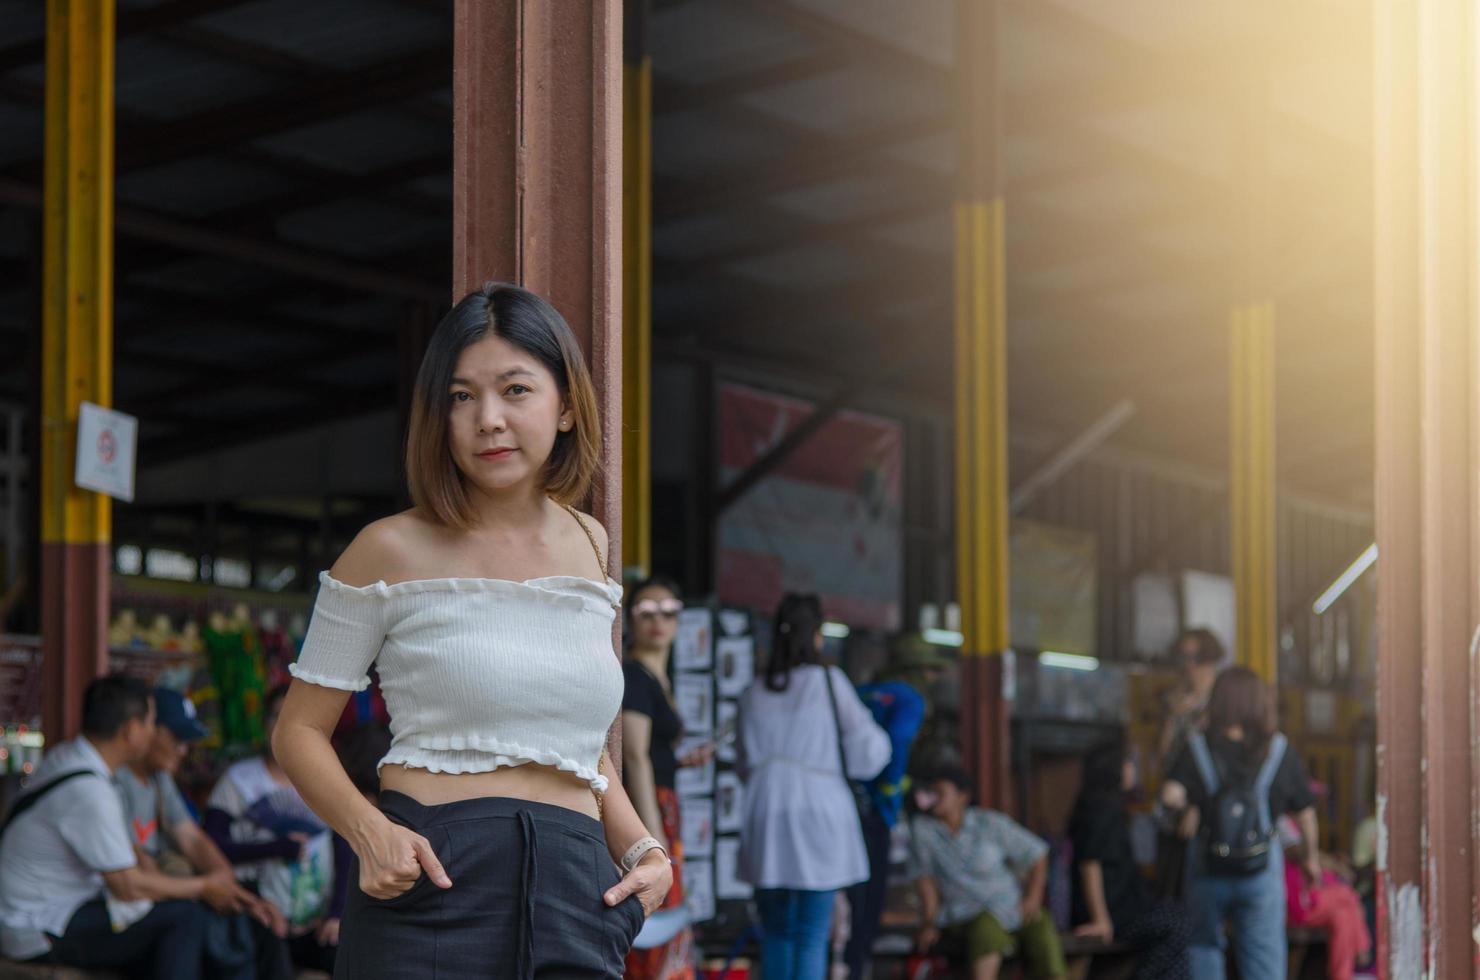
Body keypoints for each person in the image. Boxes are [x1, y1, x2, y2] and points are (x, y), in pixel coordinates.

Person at [271, 283, 670, 979]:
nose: (488, 419)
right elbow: (297, 731)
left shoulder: (592, 544)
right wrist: (370, 832)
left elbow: (574, 742)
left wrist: (644, 853)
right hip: (433, 879)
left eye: (515, 390)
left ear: (568, 405)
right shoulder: (386, 549)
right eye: (461, 396)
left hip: (578, 891)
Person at [0, 675, 248, 978]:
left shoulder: (69, 757)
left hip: (39, 913)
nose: (152, 733)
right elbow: (128, 886)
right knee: (185, 918)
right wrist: (202, 887)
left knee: (167, 924)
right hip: (36, 928)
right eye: (150, 724)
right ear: (131, 730)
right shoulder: (90, 792)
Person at [738, 593, 890, 980]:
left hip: (765, 812)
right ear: (817, 636)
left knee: (775, 931)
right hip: (819, 812)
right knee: (811, 934)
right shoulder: (828, 681)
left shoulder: (753, 692)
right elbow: (870, 753)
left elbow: (742, 765)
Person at [1161, 667, 1320, 980]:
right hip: (1259, 871)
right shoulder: (1278, 750)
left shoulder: (1197, 747)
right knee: (1263, 956)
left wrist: (1189, 808)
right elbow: (1305, 813)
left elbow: (1169, 796)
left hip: (1208, 869)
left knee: (1204, 947)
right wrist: (1311, 859)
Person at [114, 687, 277, 979]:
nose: (183, 749)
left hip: (157, 893)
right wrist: (208, 888)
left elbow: (192, 839)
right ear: (145, 729)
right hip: (120, 909)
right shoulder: (115, 780)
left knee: (258, 920)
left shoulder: (159, 778)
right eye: (176, 738)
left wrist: (231, 888)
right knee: (195, 923)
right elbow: (138, 867)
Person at [206, 684, 341, 975]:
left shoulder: (327, 779)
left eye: (294, 717)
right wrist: (274, 847)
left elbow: (346, 851)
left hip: (316, 922)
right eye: (277, 716)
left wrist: (337, 913)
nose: (284, 726)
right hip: (258, 913)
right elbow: (211, 846)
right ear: (265, 723)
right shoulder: (238, 780)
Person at [621, 574, 705, 980]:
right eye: (647, 610)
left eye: (669, 612)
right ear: (631, 618)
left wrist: (678, 761)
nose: (659, 620)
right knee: (656, 914)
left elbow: (651, 752)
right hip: (646, 809)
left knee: (666, 921)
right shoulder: (635, 675)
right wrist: (652, 842)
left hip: (661, 803)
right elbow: (634, 756)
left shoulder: (657, 677)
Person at [908, 767, 1067, 980]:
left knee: (1041, 926)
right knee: (986, 929)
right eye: (931, 792)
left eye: (940, 792)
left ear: (962, 796)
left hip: (1011, 907)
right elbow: (925, 881)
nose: (933, 798)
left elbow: (1036, 853)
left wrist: (1033, 896)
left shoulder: (989, 822)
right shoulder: (923, 830)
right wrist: (928, 923)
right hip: (965, 912)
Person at [842, 633, 939, 979]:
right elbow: (898, 740)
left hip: (843, 805)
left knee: (848, 901)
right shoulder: (910, 698)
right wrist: (891, 785)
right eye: (931, 670)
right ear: (916, 671)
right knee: (869, 903)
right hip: (874, 812)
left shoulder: (861, 692)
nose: (934, 679)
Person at [1068, 739, 1189, 980]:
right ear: (1113, 768)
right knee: (1180, 926)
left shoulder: (1109, 805)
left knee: (1181, 918)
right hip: (1114, 913)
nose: (1133, 768)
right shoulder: (1101, 808)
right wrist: (1100, 919)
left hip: (1124, 908)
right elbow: (1089, 865)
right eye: (1128, 763)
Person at [1277, 816, 1372, 980]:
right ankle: (1362, 949)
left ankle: (1342, 975)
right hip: (1291, 902)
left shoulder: (1290, 822)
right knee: (1347, 895)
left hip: (1301, 896)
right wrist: (1325, 860)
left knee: (1342, 917)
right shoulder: (1281, 819)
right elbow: (1297, 850)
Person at [1158, 629, 1224, 764]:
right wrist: (1172, 716)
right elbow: (1162, 754)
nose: (1189, 665)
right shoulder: (1173, 697)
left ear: (1210, 659)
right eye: (1183, 658)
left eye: (1198, 658)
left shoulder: (1224, 694)